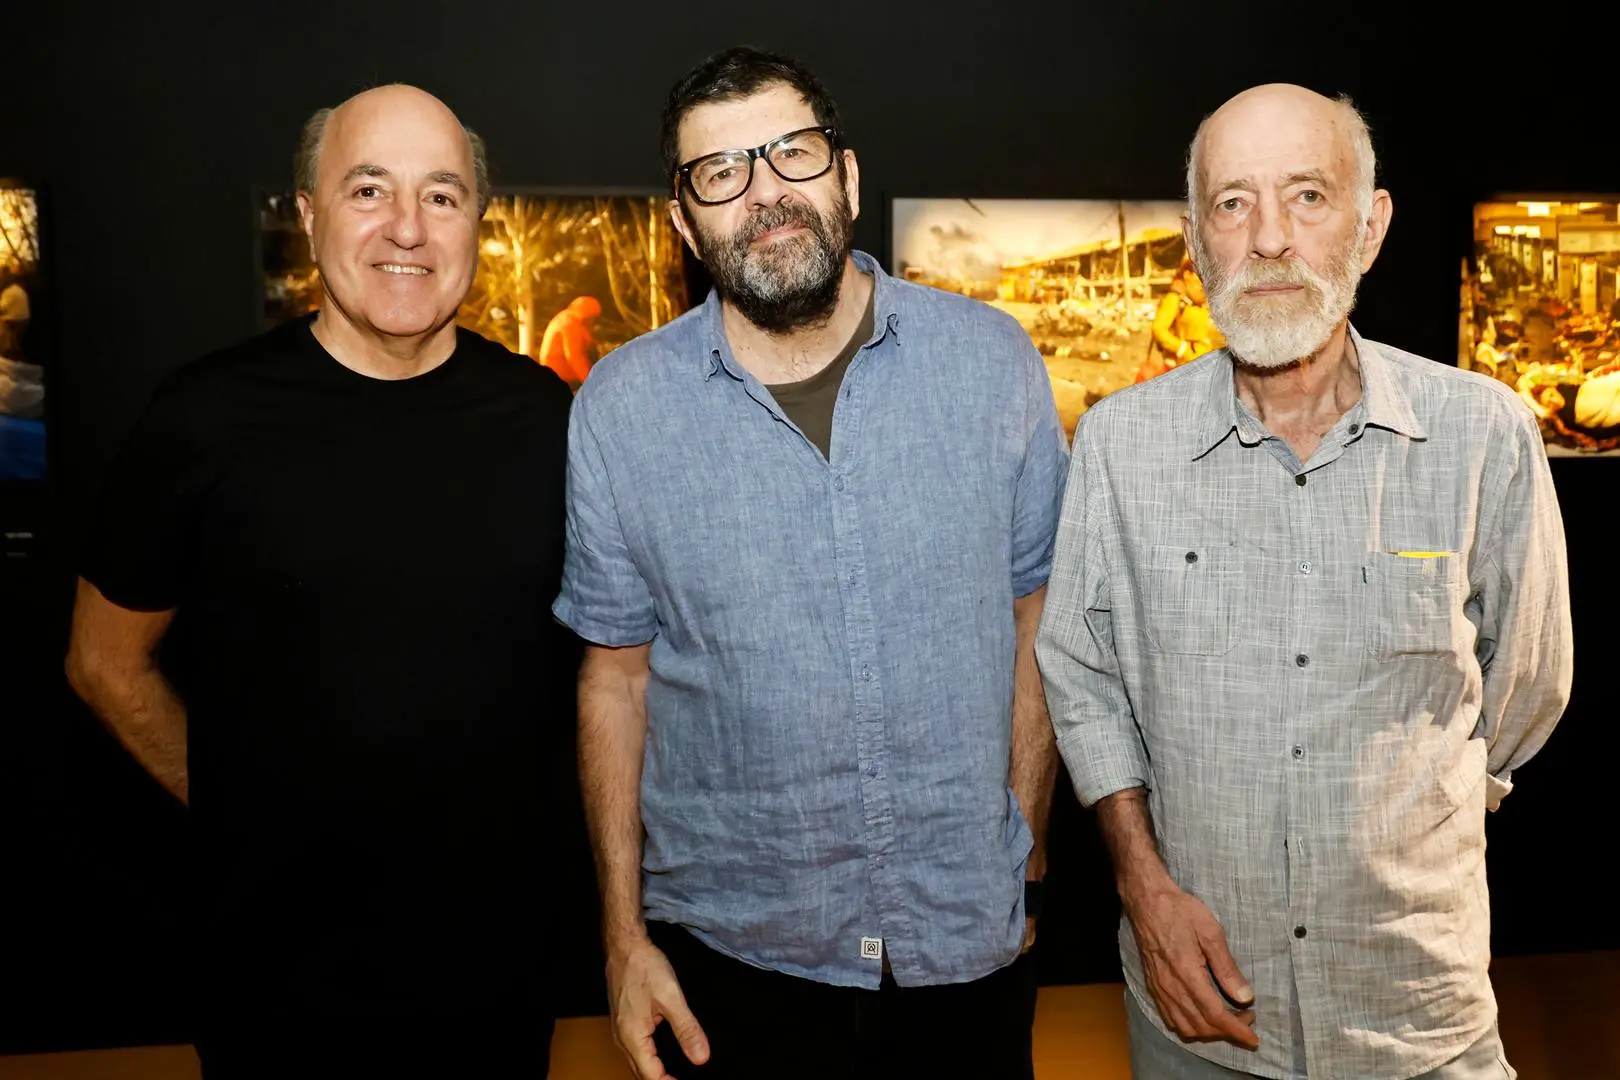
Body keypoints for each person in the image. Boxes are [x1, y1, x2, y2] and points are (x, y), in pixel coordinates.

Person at [1036, 83, 1572, 1080]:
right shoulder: (1119, 445)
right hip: (1200, 1025)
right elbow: (1081, 672)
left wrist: (1429, 817)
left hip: (1417, 1017)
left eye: (1308, 197)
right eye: (1233, 203)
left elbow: (1528, 684)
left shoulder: (1482, 435)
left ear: (1370, 227)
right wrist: (1142, 883)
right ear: (1196, 241)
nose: (1270, 238)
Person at [553, 45, 1069, 1080]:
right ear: (683, 222)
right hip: (731, 968)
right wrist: (622, 940)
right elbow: (616, 680)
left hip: (966, 948)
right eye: (721, 171)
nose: (765, 193)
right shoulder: (620, 409)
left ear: (848, 176)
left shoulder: (992, 362)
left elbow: (1038, 618)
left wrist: (1025, 854)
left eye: (792, 152)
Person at [64, 84, 575, 1077]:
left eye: (441, 195)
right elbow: (102, 663)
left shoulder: (546, 420)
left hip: (495, 983)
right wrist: (243, 807)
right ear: (308, 213)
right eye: (368, 189)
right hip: (274, 988)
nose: (407, 228)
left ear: (476, 220)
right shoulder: (203, 418)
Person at [1137, 257, 1223, 383]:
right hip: (1181, 368)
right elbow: (1158, 328)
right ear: (1187, 275)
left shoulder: (1198, 302)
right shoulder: (1174, 299)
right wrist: (1182, 348)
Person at [540, 294, 602, 385]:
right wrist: (589, 382)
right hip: (560, 373)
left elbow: (586, 341)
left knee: (593, 351)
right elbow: (574, 357)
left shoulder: (569, 318)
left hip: (556, 369)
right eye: (593, 318)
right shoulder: (570, 325)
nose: (593, 322)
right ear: (587, 317)